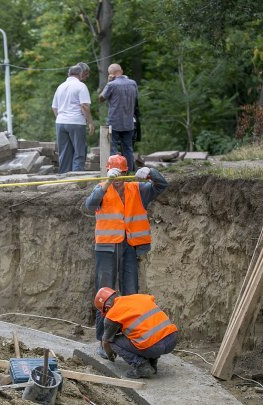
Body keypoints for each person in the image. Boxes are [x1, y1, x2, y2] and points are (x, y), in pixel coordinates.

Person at [84, 154, 168, 358]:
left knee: (131, 293)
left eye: (123, 174)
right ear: (108, 171)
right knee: (105, 294)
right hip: (107, 247)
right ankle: (102, 341)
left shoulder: (137, 189)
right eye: (116, 173)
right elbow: (90, 204)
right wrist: (107, 182)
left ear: (128, 173)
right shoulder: (103, 188)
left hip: (130, 246)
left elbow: (161, 185)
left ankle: (130, 338)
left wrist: (151, 173)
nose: (120, 179)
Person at [94, 287, 178, 378]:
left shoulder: (112, 314)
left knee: (113, 342)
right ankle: (152, 364)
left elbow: (106, 342)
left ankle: (142, 366)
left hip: (153, 347)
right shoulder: (138, 297)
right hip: (172, 339)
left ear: (107, 308)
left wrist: (110, 355)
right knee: (143, 332)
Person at [52, 64, 95, 173]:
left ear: (68, 74)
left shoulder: (60, 86)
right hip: (76, 122)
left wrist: (61, 118)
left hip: (60, 122)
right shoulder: (81, 86)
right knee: (79, 151)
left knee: (64, 152)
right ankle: (76, 177)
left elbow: (54, 107)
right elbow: (84, 106)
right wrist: (90, 122)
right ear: (80, 74)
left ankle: (64, 177)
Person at [99, 64, 139, 172]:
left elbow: (101, 98)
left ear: (111, 74)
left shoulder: (112, 85)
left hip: (114, 122)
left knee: (112, 149)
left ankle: (115, 172)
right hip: (129, 122)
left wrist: (108, 82)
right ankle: (128, 172)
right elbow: (136, 99)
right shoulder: (133, 83)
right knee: (128, 149)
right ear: (121, 71)